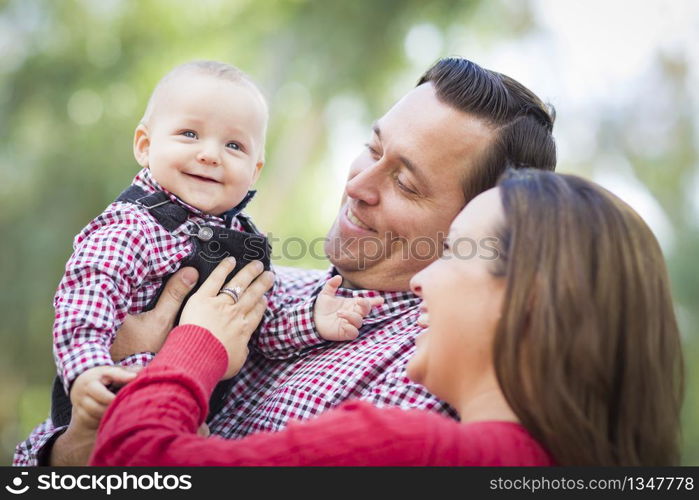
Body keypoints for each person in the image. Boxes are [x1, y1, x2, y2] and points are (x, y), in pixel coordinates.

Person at [14, 57, 557, 466]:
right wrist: (67, 449)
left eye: (406, 184)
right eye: (372, 148)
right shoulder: (274, 286)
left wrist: (186, 346)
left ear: (479, 220)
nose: (359, 184)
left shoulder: (427, 375)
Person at [90, 169, 684, 466]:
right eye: (373, 149)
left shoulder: (405, 447)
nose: (423, 279)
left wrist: (195, 342)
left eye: (456, 253)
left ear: (527, 301)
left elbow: (133, 463)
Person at [33, 60, 382, 447]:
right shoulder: (133, 227)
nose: (210, 154)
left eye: (234, 145)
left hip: (181, 419)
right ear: (145, 146)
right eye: (189, 134)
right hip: (107, 400)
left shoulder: (244, 241)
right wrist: (87, 369)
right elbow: (86, 300)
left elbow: (260, 326)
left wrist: (313, 318)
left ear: (254, 171)